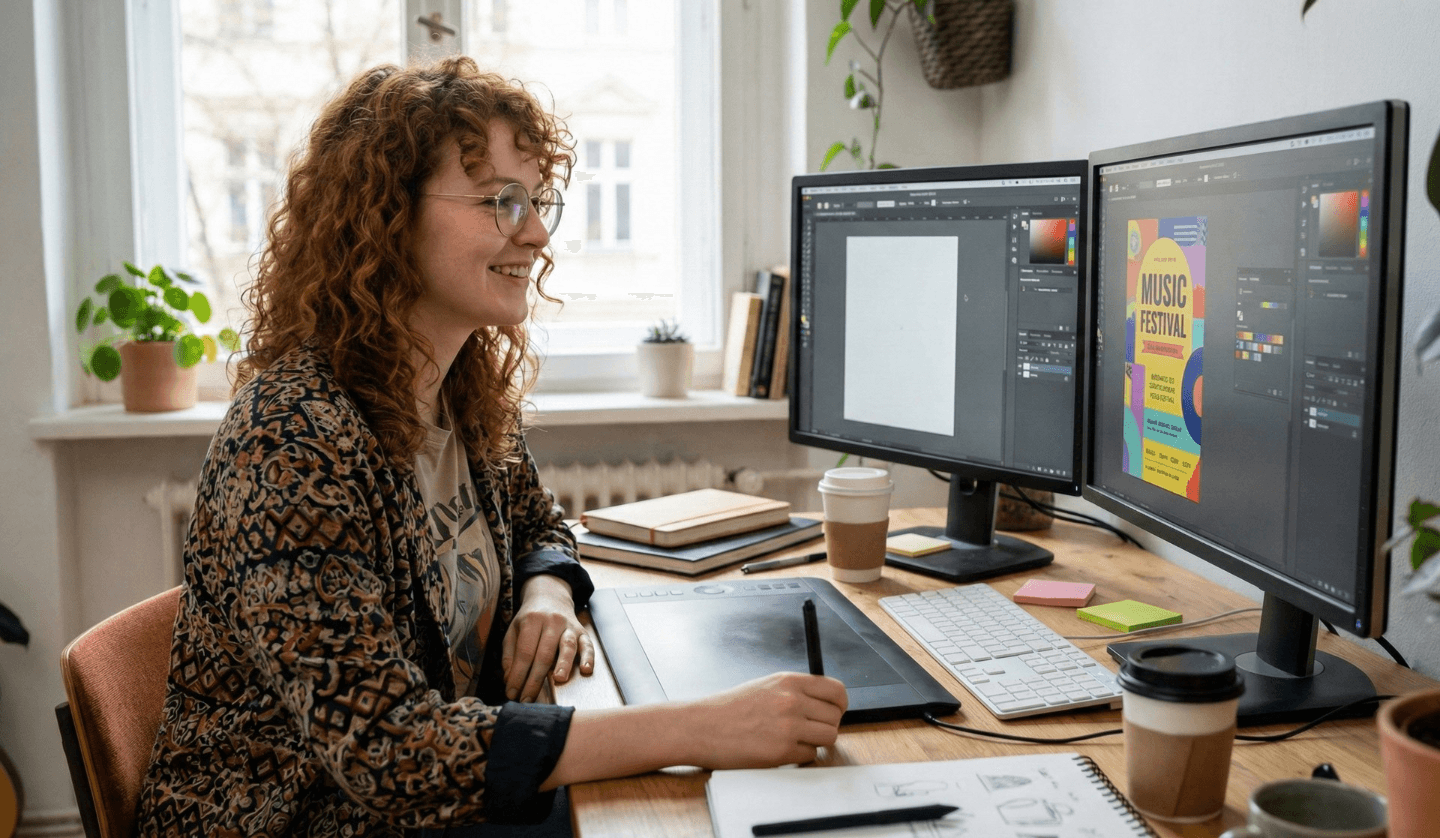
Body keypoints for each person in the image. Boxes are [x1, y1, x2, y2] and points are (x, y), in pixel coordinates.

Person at [133, 56, 847, 837]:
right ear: (385, 217)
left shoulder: (455, 387)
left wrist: (546, 593)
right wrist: (701, 727)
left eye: (537, 201)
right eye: (501, 201)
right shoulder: (292, 441)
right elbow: (390, 756)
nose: (537, 234)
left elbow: (542, 524)